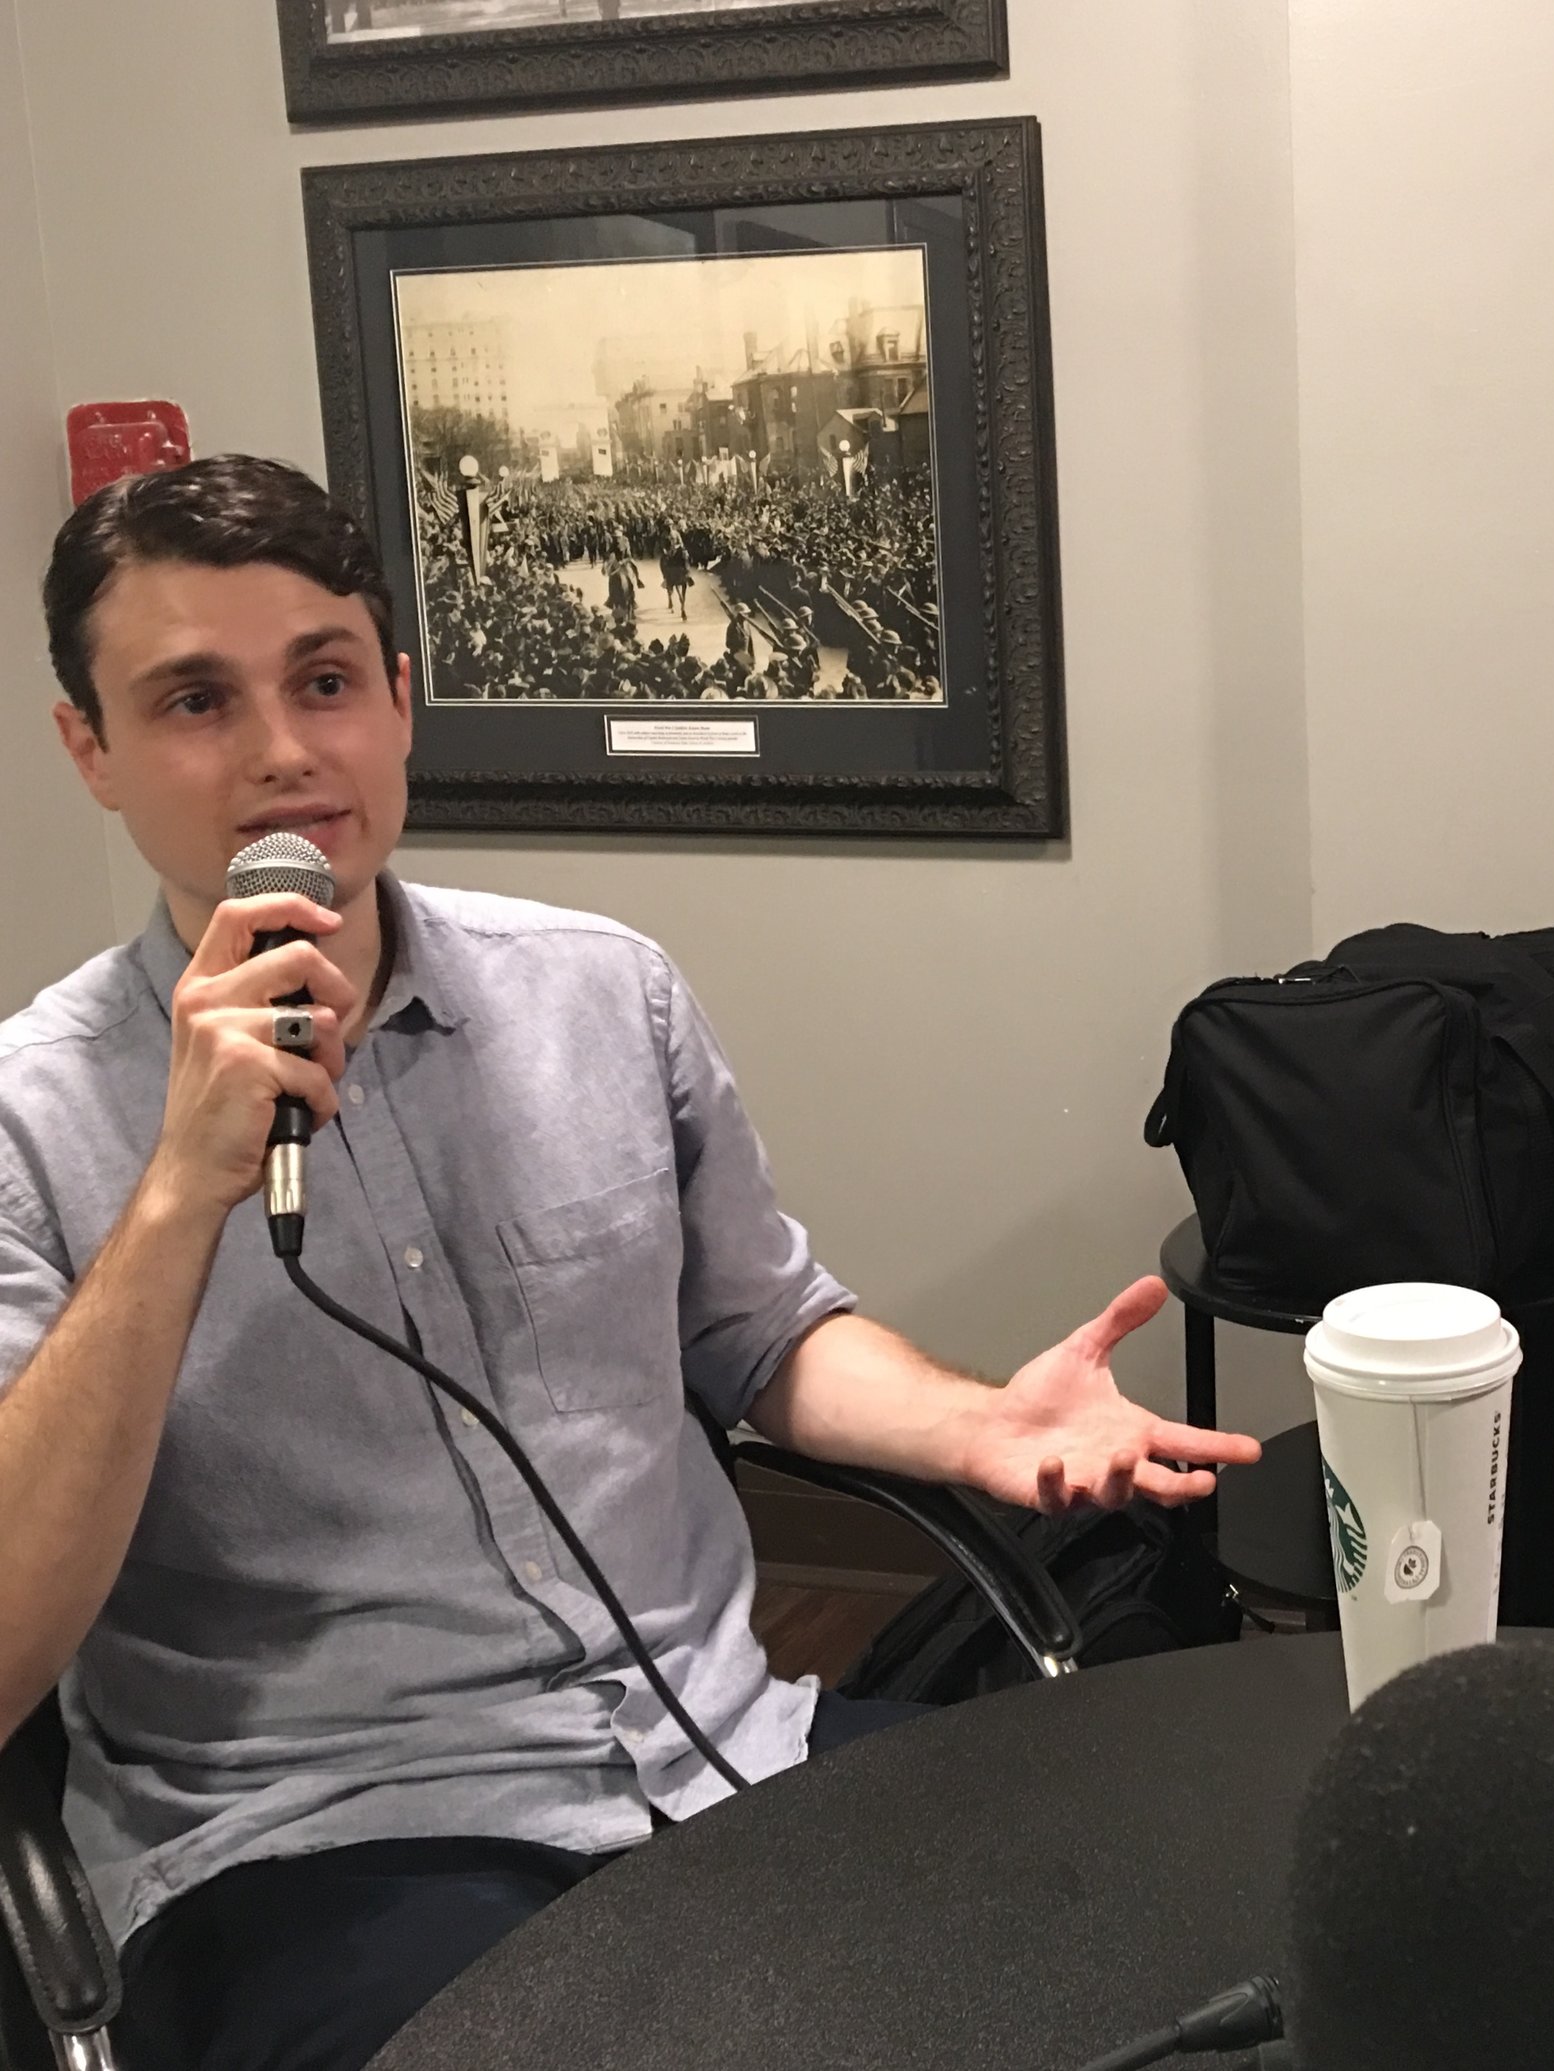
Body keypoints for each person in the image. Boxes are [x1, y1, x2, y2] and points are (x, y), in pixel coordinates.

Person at [0, 456, 1261, 2068]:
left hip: (728, 1749)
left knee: (1175, 1979)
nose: (281, 753)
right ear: (88, 750)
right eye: (193, 701)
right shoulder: (30, 1121)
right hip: (325, 1846)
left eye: (324, 680)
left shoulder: (607, 996)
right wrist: (178, 1194)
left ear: (396, 700)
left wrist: (977, 1426)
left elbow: (760, 1328)